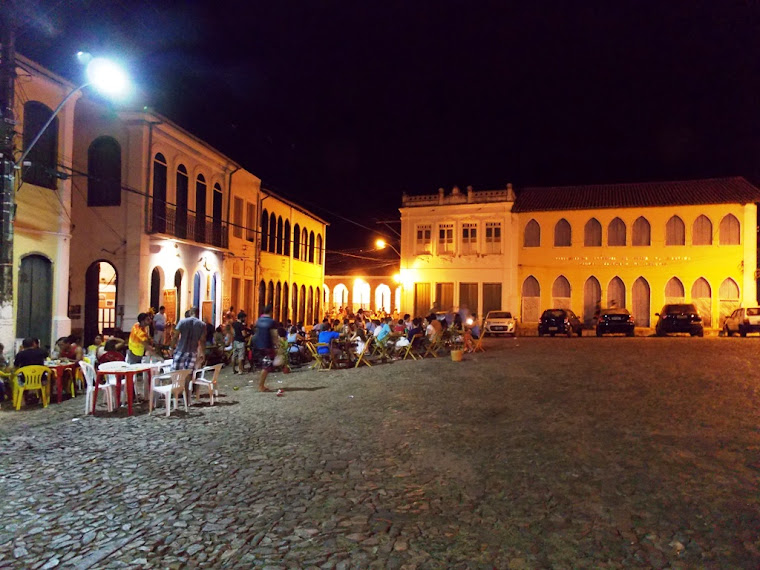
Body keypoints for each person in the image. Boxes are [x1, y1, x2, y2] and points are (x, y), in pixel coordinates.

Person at [171, 307, 207, 372]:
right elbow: (202, 340)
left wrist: (171, 348)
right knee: (188, 372)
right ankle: (187, 382)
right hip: (193, 351)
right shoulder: (202, 325)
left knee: (175, 372)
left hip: (181, 350)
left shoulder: (182, 322)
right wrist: (203, 353)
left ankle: (176, 382)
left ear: (190, 312)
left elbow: (175, 336)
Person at [252, 304, 277, 392]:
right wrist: (277, 346)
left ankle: (261, 385)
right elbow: (274, 335)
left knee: (264, 365)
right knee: (266, 367)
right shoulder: (272, 322)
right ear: (271, 312)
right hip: (267, 346)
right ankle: (261, 386)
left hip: (258, 346)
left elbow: (255, 331)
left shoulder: (258, 320)